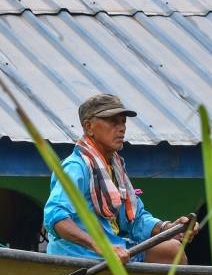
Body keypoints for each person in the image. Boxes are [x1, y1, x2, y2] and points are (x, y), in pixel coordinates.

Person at [43, 94, 198, 264]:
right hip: (79, 256)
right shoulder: (75, 166)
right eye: (113, 122)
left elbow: (136, 220)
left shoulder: (115, 167)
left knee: (173, 248)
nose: (122, 128)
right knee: (172, 251)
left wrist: (168, 228)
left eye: (123, 121)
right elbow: (55, 217)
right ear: (89, 127)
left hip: (115, 250)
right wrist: (100, 245)